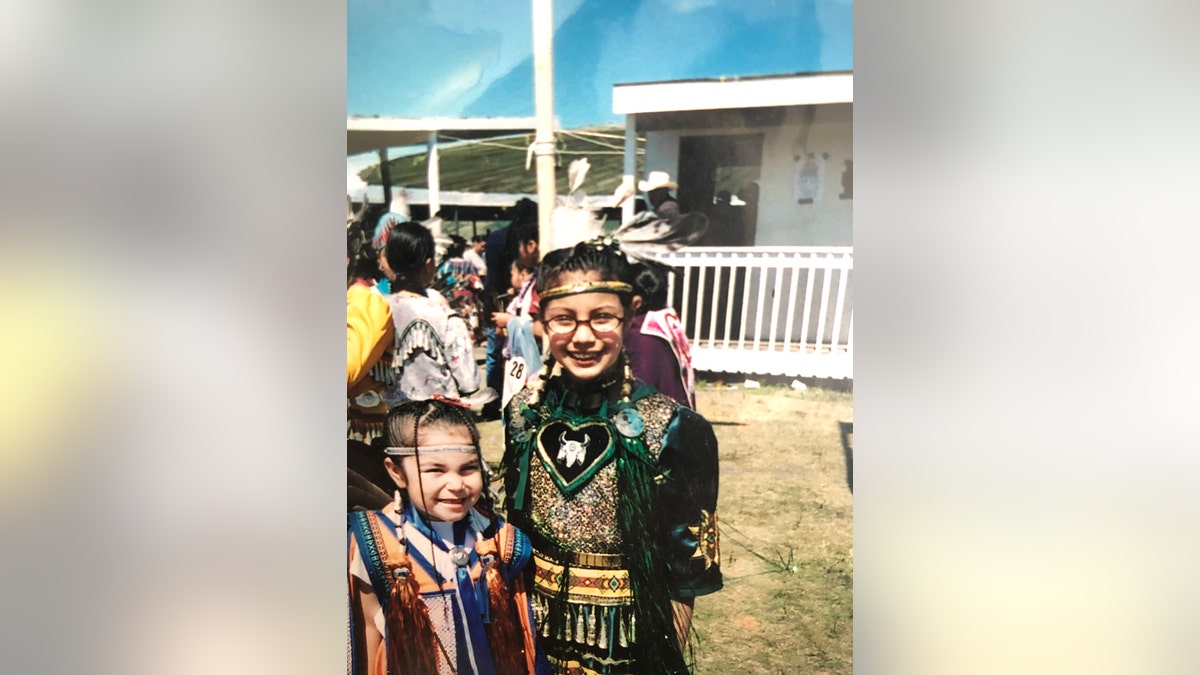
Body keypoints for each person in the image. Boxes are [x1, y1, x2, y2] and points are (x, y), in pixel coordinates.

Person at [500, 238, 722, 674]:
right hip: (533, 634)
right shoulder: (524, 414)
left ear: (631, 312)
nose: (583, 337)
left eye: (602, 317)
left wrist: (663, 654)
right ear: (542, 319)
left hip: (630, 638)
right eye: (564, 319)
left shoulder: (673, 428)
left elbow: (685, 568)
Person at [348, 398, 548, 675]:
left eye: (468, 468)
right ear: (397, 472)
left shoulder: (503, 541)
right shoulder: (376, 545)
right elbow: (367, 634)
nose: (456, 485)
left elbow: (523, 636)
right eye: (435, 470)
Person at [379, 221, 494, 408]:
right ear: (429, 264)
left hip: (391, 420)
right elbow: (468, 381)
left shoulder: (377, 310)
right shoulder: (444, 316)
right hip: (439, 420)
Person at [625, 261, 696, 408]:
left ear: (636, 301)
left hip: (659, 417)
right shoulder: (664, 318)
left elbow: (643, 386)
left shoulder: (642, 334)